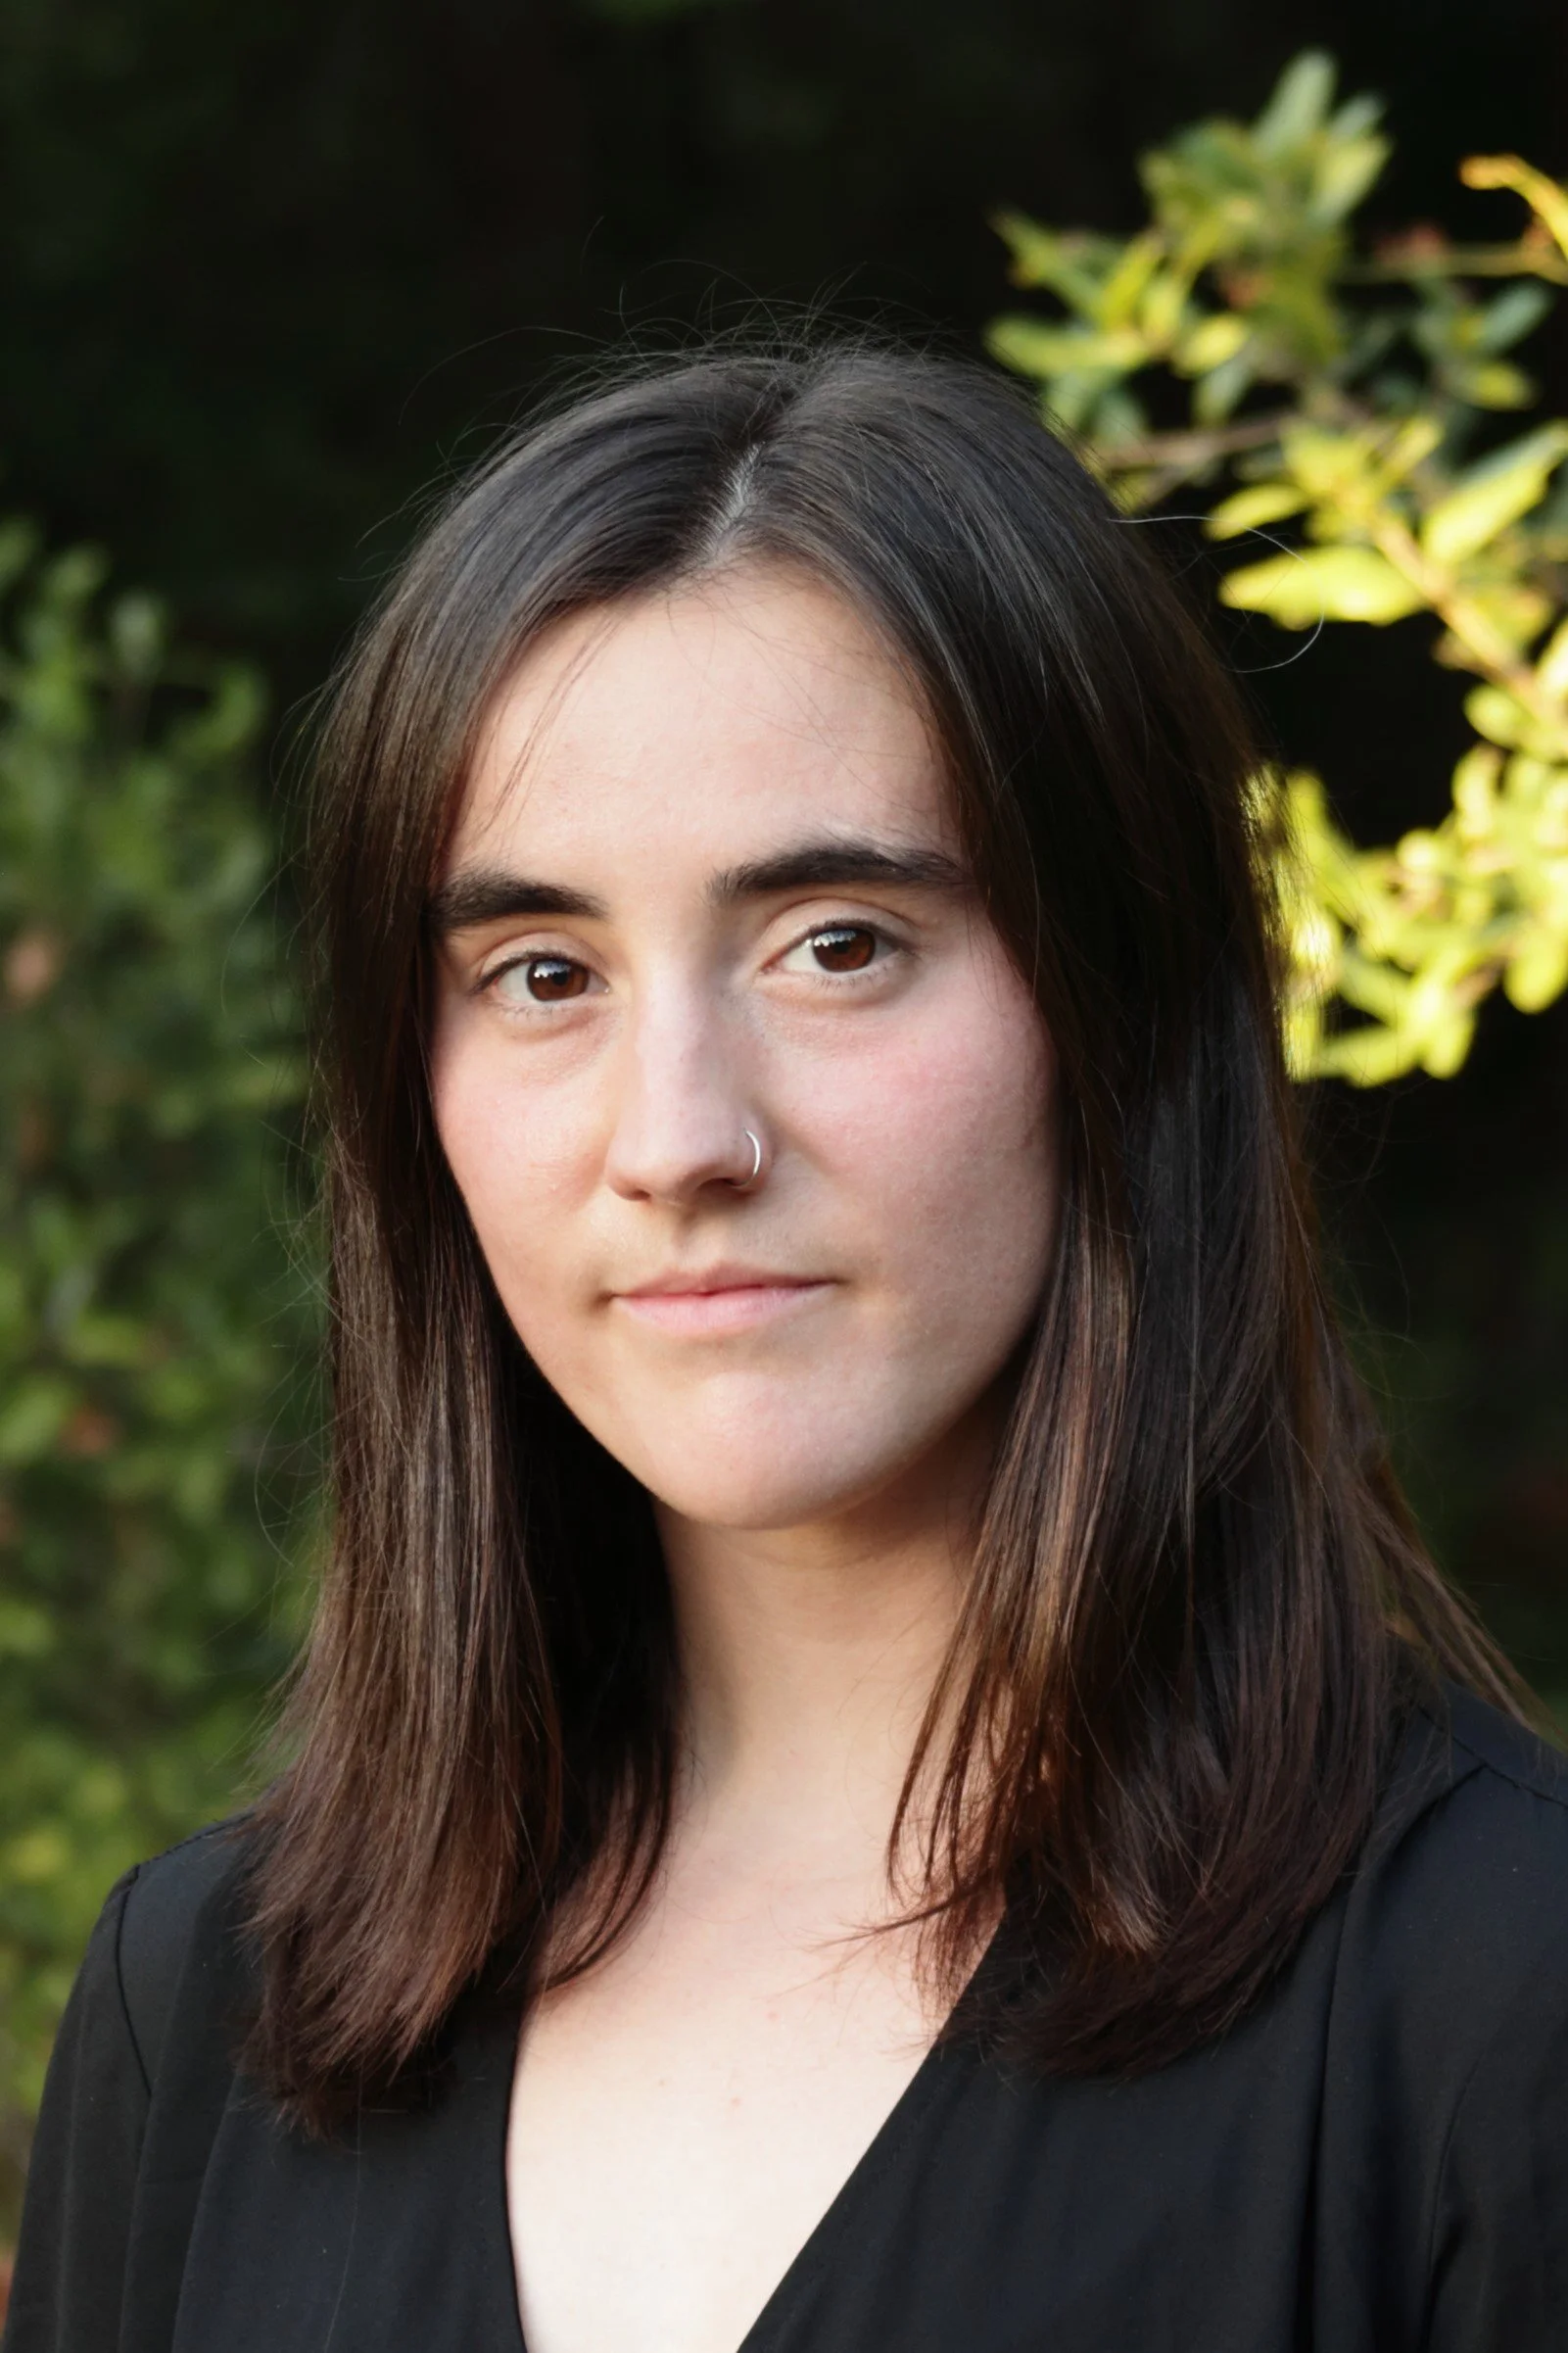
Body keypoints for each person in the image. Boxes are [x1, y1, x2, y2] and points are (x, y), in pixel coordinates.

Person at [6, 341, 1568, 2353]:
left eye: (834, 942)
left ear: (1123, 1005)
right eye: (541, 972)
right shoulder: (204, 2010)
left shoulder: (1488, 1999)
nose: (676, 1139)